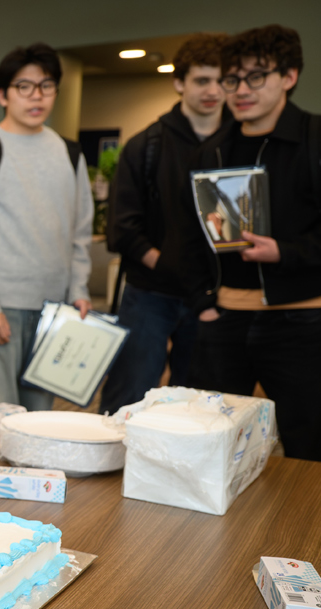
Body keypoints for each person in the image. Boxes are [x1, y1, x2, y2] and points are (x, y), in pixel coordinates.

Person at [188, 25, 321, 463]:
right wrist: (203, 302)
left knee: (309, 450)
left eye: (256, 76)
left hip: (302, 323)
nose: (241, 90)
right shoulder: (213, 152)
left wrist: (286, 252)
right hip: (223, 323)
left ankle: (306, 535)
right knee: (211, 447)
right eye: (233, 79)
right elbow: (190, 236)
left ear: (290, 75)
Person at [0, 43, 93, 411]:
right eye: (24, 86)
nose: (37, 96)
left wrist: (79, 289)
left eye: (46, 86)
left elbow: (80, 233)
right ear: (3, 94)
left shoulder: (70, 153)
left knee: (39, 421)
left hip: (54, 311)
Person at [98, 34, 230, 415]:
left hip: (213, 298)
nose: (212, 90)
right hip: (150, 295)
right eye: (201, 80)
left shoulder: (238, 143)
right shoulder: (146, 145)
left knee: (197, 409)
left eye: (221, 81)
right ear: (179, 83)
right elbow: (122, 229)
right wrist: (173, 267)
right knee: (128, 400)